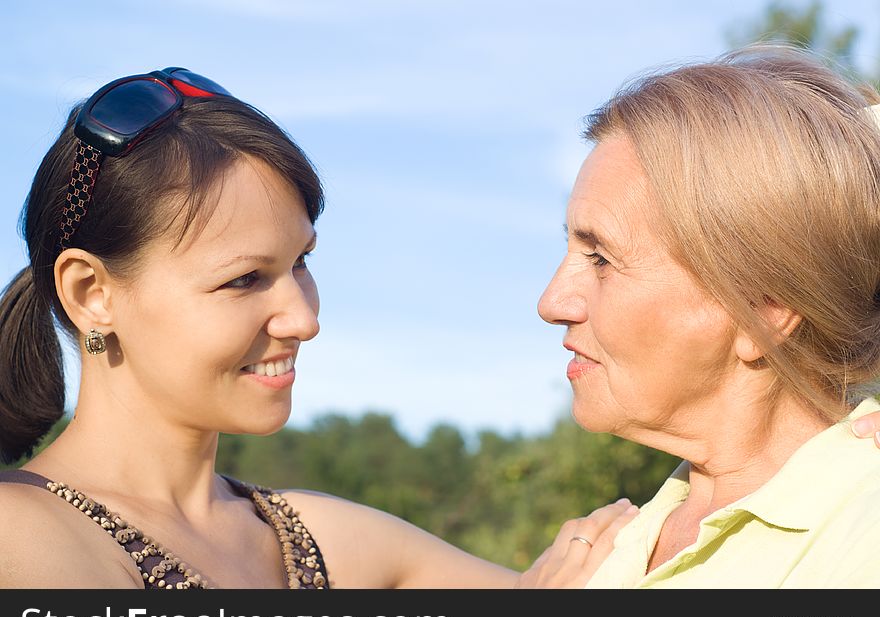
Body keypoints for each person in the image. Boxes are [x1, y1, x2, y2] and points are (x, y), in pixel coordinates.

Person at [0, 67, 632, 589]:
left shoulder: (322, 540)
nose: (304, 318)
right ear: (92, 294)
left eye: (300, 263)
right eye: (244, 278)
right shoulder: (22, 537)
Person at [538, 45, 880, 587]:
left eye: (601, 258)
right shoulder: (610, 545)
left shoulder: (863, 538)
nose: (552, 303)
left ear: (763, 312)